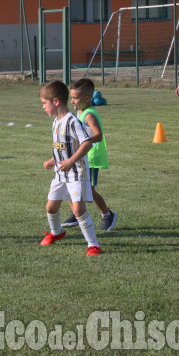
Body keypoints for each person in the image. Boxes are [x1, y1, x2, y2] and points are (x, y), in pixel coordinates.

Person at [39, 80, 103, 256]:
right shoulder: (55, 122)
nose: (43, 107)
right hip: (60, 174)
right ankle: (57, 232)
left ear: (56, 101)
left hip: (76, 173)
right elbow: (66, 146)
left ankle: (93, 245)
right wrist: (54, 159)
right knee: (51, 207)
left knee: (78, 209)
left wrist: (70, 162)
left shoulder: (72, 121)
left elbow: (87, 143)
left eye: (45, 103)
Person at [61, 79, 118, 231]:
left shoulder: (89, 115)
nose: (72, 100)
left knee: (89, 192)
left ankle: (107, 214)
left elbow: (98, 136)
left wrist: (82, 141)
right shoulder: (79, 112)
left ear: (87, 98)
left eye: (75, 98)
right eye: (71, 97)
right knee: (68, 187)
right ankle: (77, 212)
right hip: (80, 157)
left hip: (90, 159)